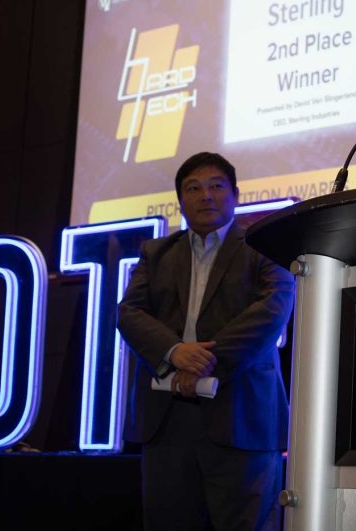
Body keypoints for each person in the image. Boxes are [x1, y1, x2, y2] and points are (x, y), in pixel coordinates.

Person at [118, 152, 295, 531]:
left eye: (216, 186)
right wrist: (174, 352)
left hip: (242, 416)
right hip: (168, 422)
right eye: (193, 188)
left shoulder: (264, 244)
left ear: (235, 193)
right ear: (180, 200)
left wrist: (202, 363)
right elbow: (129, 313)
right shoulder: (157, 253)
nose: (206, 196)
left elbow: (273, 308)